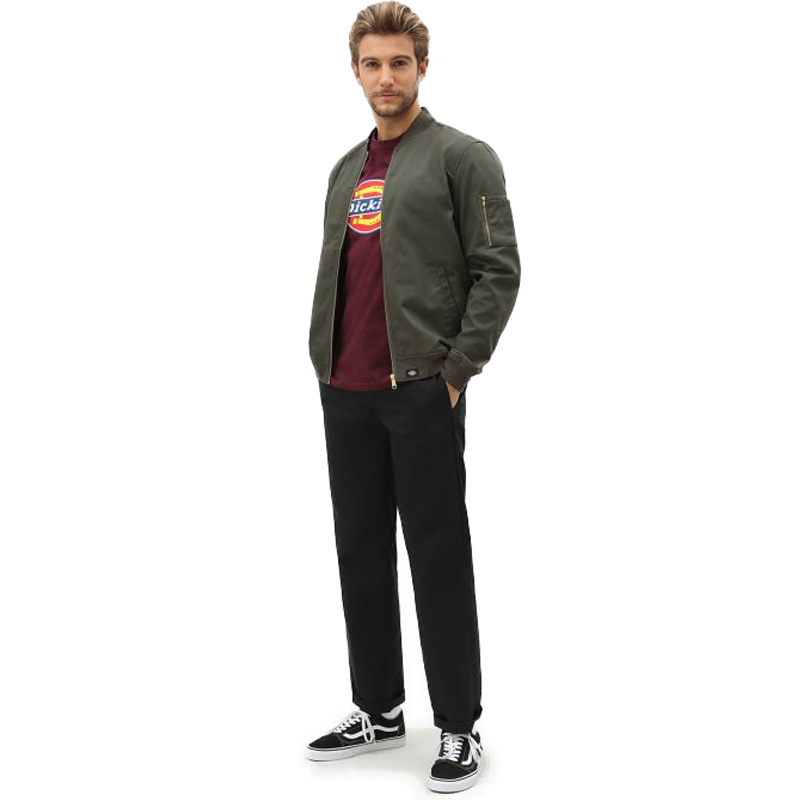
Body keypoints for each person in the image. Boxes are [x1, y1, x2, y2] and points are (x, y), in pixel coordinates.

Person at [304, 2, 520, 792]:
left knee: (437, 557)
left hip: (422, 389)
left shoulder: (462, 157)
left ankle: (459, 726)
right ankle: (379, 708)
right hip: (346, 388)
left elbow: (498, 270)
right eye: (373, 64)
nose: (386, 77)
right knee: (360, 553)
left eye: (400, 62)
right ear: (355, 71)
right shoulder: (345, 169)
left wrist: (457, 371)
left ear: (422, 67)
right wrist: (326, 364)